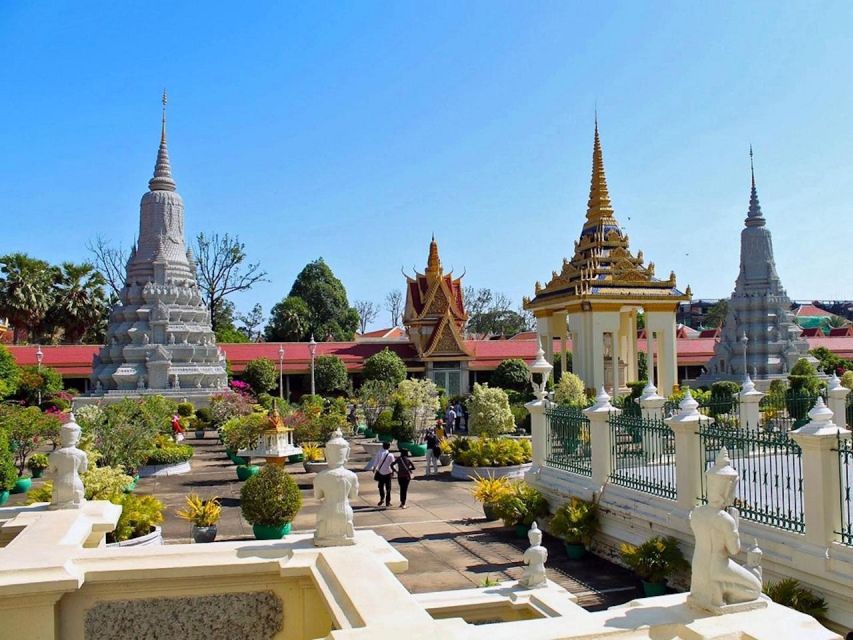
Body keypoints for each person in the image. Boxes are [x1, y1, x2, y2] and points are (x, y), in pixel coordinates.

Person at [370, 441, 395, 508]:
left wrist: (374, 468)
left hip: (380, 472)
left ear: (382, 446)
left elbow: (376, 461)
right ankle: (388, 502)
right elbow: (393, 464)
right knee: (388, 488)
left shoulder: (379, 453)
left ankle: (382, 498)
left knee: (381, 487)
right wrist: (393, 471)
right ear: (389, 447)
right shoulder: (390, 455)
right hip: (388, 473)